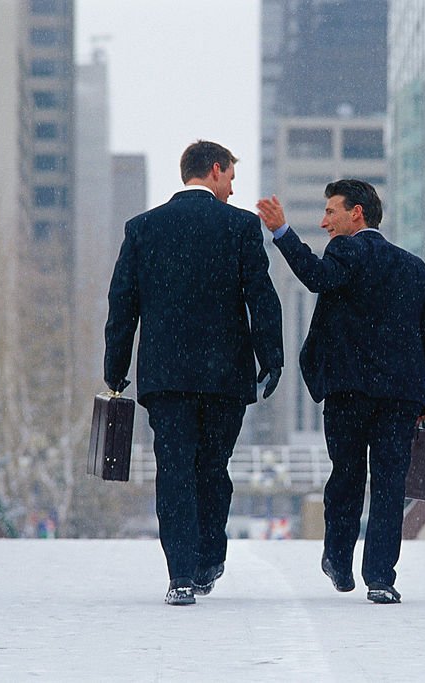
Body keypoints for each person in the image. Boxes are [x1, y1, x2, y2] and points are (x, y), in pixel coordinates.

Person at [105, 140, 283, 606]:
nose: (231, 189)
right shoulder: (241, 226)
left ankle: (181, 574)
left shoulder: (143, 228)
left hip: (166, 376)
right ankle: (209, 556)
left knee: (175, 470)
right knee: (212, 466)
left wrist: (115, 368)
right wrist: (272, 356)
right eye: (231, 179)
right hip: (226, 375)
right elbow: (261, 296)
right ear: (217, 170)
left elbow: (123, 303)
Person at [256, 179, 425, 604]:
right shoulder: (413, 266)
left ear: (356, 213)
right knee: (389, 485)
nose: (324, 222)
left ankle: (338, 560)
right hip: (401, 397)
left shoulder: (347, 251)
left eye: (330, 212)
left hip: (349, 393)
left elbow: (316, 277)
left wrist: (283, 233)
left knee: (347, 477)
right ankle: (380, 578)